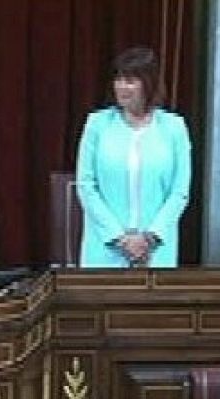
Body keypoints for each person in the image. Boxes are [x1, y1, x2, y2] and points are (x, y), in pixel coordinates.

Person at [74, 46, 191, 269]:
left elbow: (179, 192)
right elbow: (86, 186)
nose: (121, 87)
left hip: (156, 251)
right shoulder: (97, 124)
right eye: (118, 79)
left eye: (130, 81)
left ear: (149, 83)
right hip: (105, 247)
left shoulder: (174, 127)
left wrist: (149, 239)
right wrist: (121, 239)